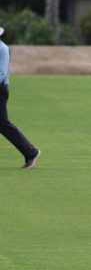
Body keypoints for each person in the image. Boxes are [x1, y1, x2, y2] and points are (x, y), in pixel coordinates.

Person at [0, 26, 41, 168]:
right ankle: (30, 152)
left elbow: (1, 74)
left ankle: (31, 153)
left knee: (3, 124)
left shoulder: (3, 49)